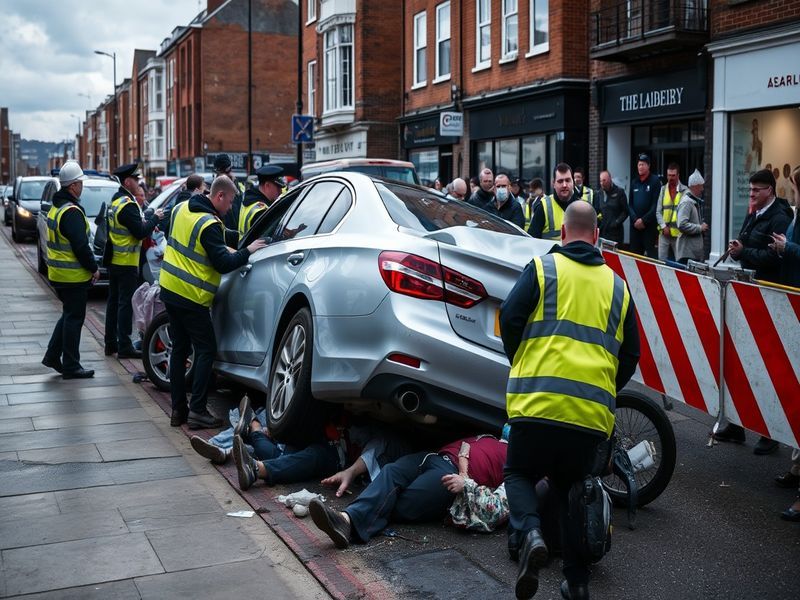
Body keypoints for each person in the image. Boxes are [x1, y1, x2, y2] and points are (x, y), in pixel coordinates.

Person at [500, 201, 640, 600]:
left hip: (537, 404)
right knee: (574, 488)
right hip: (588, 417)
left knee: (519, 473)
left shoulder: (543, 268)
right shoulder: (617, 286)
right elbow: (631, 354)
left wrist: (521, 359)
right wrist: (605, 388)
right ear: (597, 237)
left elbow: (510, 317)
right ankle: (576, 582)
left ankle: (529, 534)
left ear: (561, 233)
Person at [160, 176, 267, 429]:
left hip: (169, 288)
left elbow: (196, 238)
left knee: (179, 351)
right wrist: (248, 251)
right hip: (191, 296)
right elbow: (224, 263)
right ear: (219, 196)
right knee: (206, 350)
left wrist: (238, 238)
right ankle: (198, 410)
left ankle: (178, 411)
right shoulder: (209, 224)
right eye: (229, 202)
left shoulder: (182, 208)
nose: (231, 208)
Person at [308, 434, 507, 549]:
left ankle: (347, 522)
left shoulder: (519, 471)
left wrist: (466, 483)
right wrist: (465, 471)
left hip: (448, 476)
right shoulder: (492, 436)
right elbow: (466, 447)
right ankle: (346, 519)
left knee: (403, 504)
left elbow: (495, 509)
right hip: (433, 456)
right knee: (390, 472)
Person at [714, 169, 793, 454]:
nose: (751, 195)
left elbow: (773, 258)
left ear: (770, 190)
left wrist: (743, 252)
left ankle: (770, 434)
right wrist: (739, 246)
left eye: (756, 191)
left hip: (770, 300)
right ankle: (737, 424)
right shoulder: (755, 213)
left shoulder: (780, 218)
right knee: (743, 361)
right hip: (750, 295)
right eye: (749, 191)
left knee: (768, 366)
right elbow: (747, 240)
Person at [42, 161, 100, 379]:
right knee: (74, 318)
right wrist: (93, 268)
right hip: (73, 275)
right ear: (73, 186)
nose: (82, 187)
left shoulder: (57, 208)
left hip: (58, 273)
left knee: (68, 315)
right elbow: (80, 246)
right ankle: (71, 365)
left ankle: (52, 356)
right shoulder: (72, 212)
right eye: (80, 183)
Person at [104, 163, 164, 359]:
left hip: (115, 260)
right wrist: (154, 218)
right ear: (127, 181)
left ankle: (110, 343)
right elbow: (139, 231)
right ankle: (124, 346)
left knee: (113, 302)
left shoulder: (116, 201)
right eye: (136, 179)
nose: (138, 183)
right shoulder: (128, 204)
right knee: (125, 304)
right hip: (127, 262)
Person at [527, 163, 585, 240]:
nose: (564, 185)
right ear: (553, 183)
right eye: (560, 181)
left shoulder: (582, 208)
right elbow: (531, 241)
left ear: (573, 182)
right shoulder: (543, 207)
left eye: (567, 180)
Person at [770, 165, 800, 288]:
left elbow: (792, 247)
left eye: (794, 191)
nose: (792, 196)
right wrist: (781, 246)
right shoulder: (797, 213)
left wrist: (787, 246)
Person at [628, 153, 661, 258]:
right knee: (635, 257)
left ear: (648, 166)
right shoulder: (634, 182)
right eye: (639, 165)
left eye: (643, 164)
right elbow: (630, 204)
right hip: (635, 227)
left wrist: (643, 220)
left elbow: (655, 205)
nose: (640, 167)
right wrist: (635, 220)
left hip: (649, 227)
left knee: (651, 258)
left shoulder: (655, 181)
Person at [238, 165, 284, 237]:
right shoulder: (261, 212)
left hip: (245, 246)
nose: (281, 191)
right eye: (278, 187)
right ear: (267, 185)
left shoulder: (249, 199)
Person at [655, 163, 687, 261]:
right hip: (664, 233)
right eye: (669, 175)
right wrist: (664, 226)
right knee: (661, 260)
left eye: (673, 175)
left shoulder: (685, 191)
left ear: (678, 175)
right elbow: (658, 211)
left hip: (678, 233)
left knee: (679, 261)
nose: (670, 178)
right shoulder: (663, 189)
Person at [675, 169, 708, 264]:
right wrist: (700, 228)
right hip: (687, 255)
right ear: (695, 186)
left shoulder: (693, 201)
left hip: (691, 254)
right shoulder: (687, 203)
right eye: (701, 186)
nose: (702, 189)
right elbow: (681, 224)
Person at [213, 154, 246, 230]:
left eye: (229, 170)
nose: (229, 174)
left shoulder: (238, 186)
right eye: (226, 171)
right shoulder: (215, 190)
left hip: (237, 232)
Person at [597, 170, 628, 244]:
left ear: (610, 179)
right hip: (603, 232)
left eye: (604, 180)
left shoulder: (620, 192)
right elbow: (597, 211)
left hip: (615, 233)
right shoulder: (599, 193)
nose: (602, 183)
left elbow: (626, 211)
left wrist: (616, 222)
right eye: (601, 181)